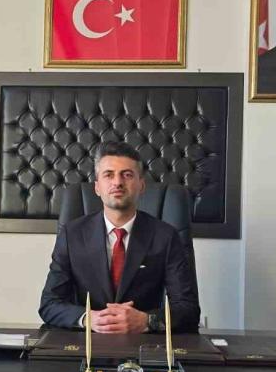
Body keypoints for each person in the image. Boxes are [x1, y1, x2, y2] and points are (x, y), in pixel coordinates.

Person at [39, 141, 200, 334]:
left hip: (143, 344)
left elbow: (188, 309)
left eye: (127, 175)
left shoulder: (165, 236)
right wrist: (88, 318)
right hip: (87, 343)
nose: (117, 182)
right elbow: (49, 304)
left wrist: (146, 320)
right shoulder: (72, 234)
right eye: (109, 175)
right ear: (97, 187)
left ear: (141, 185)